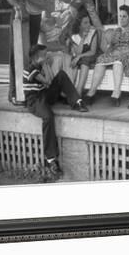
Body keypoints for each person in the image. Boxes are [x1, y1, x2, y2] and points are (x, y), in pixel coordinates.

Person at [23, 44, 89, 177]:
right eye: (45, 55)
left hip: (44, 95)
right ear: (38, 57)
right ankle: (51, 159)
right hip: (34, 100)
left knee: (61, 75)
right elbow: (47, 81)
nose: (48, 56)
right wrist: (46, 66)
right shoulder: (31, 69)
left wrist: (45, 66)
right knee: (48, 116)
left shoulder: (39, 66)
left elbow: (51, 82)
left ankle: (77, 101)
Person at [4, 0, 53, 105]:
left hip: (34, 17)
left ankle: (29, 91)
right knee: (15, 53)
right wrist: (18, 5)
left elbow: (47, 5)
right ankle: (13, 93)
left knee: (30, 54)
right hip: (19, 16)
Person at [84, 5, 129, 107]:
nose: (121, 19)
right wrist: (107, 52)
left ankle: (117, 93)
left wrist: (121, 52)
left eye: (124, 16)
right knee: (100, 60)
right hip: (114, 54)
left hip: (127, 55)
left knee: (117, 62)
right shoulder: (116, 31)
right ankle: (91, 92)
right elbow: (111, 46)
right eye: (120, 16)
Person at [69, 11, 99, 96]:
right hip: (80, 57)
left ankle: (79, 90)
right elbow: (77, 52)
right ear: (79, 25)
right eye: (85, 23)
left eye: (89, 22)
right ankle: (70, 91)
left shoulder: (93, 32)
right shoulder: (74, 36)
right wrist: (83, 38)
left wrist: (79, 57)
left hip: (90, 56)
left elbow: (92, 51)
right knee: (73, 63)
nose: (89, 25)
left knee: (84, 60)